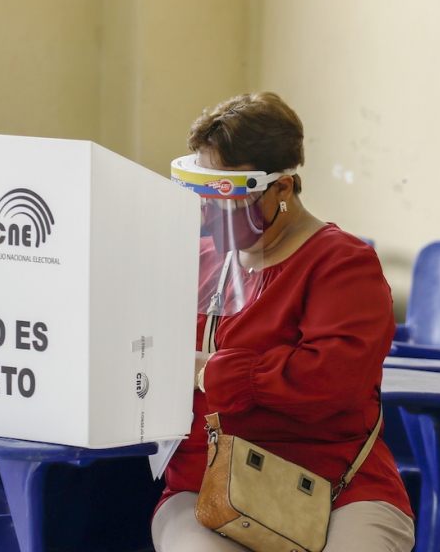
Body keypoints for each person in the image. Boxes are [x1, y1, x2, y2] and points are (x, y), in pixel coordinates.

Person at [154, 92, 415, 552]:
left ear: (283, 189)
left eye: (228, 199)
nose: (210, 216)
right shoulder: (200, 262)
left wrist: (210, 372)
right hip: (207, 485)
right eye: (203, 196)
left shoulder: (342, 263)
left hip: (331, 487)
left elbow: (330, 380)